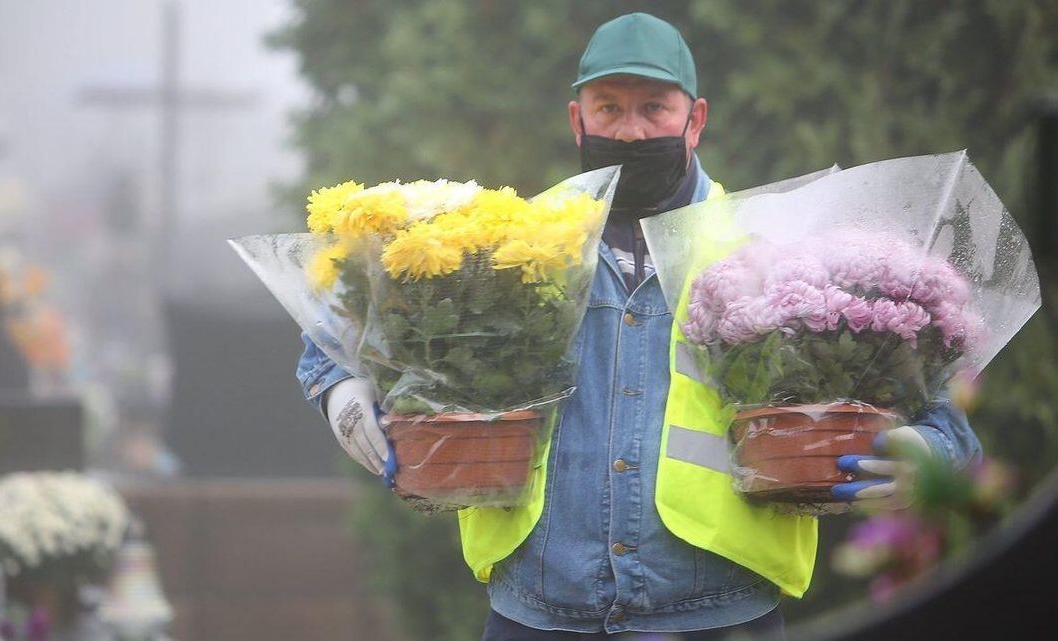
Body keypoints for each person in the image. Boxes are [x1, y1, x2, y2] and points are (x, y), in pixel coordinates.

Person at [296, 12, 982, 640]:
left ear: (696, 119)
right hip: (535, 616)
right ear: (576, 118)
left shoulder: (766, 249)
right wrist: (338, 391)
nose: (627, 130)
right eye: (609, 108)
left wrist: (930, 450)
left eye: (653, 108)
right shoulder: (516, 245)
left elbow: (937, 404)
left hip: (719, 617)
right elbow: (345, 324)